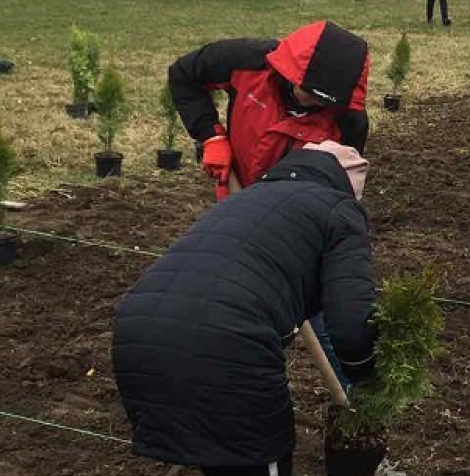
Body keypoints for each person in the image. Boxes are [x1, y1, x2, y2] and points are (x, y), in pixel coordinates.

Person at [113, 141, 377, 476]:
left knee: (222, 457)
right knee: (252, 457)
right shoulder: (339, 209)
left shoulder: (247, 199)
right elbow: (351, 326)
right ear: (348, 187)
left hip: (138, 334)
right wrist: (369, 378)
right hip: (226, 345)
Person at [168, 21, 370, 201]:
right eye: (310, 93)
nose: (316, 104)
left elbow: (340, 188)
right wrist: (211, 137)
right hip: (234, 195)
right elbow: (184, 74)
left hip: (291, 215)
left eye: (326, 101)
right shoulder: (249, 62)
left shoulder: (348, 120)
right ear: (292, 74)